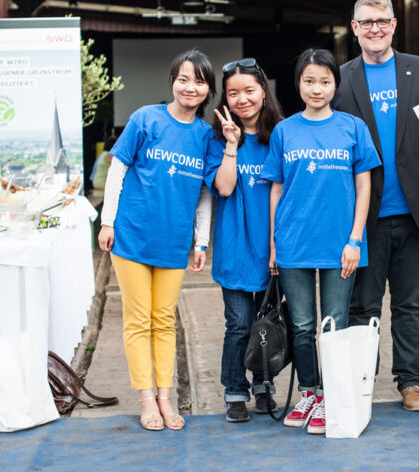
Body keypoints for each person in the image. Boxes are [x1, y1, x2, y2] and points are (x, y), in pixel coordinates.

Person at [332, 0, 419, 412]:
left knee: (411, 304)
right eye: (367, 22)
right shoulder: (340, 80)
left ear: (394, 24)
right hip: (363, 218)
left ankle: (411, 381)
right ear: (355, 28)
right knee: (362, 306)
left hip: (418, 215)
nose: (375, 29)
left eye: (382, 20)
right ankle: (361, 382)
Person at [261, 48, 381, 435]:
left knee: (334, 325)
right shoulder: (285, 131)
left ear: (335, 84)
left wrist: (355, 240)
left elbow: (364, 187)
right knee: (301, 325)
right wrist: (275, 244)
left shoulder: (353, 128)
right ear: (298, 84)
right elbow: (276, 189)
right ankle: (309, 393)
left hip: (340, 245)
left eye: (325, 81)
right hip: (293, 242)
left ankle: (332, 396)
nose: (317, 88)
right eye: (309, 81)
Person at [98, 49, 216, 431]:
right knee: (138, 320)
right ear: (172, 81)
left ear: (208, 89)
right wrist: (108, 222)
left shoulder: (206, 136)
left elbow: (204, 193)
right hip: (131, 236)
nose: (190, 87)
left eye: (199, 81)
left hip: (174, 242)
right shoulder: (145, 119)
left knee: (164, 320)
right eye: (183, 79)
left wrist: (201, 242)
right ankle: (146, 398)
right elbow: (117, 169)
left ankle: (166, 398)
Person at [206, 58, 284, 423]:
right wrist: (232, 144)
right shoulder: (216, 139)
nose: (242, 99)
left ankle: (264, 385)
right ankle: (235, 390)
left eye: (249, 90)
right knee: (238, 324)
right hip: (235, 247)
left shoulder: (282, 134)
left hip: (273, 248)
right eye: (233, 93)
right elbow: (224, 187)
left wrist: (279, 246)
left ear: (263, 92)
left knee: (266, 323)